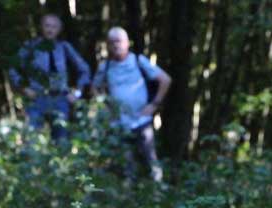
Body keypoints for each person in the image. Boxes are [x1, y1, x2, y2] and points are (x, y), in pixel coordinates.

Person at [94, 26, 171, 183]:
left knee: (151, 160)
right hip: (119, 124)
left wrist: (154, 105)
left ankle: (159, 192)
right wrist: (105, 106)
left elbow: (165, 79)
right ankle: (128, 197)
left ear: (127, 43)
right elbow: (94, 87)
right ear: (107, 45)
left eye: (119, 41)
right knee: (126, 164)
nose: (116, 45)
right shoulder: (105, 66)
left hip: (142, 121)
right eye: (112, 42)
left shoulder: (138, 60)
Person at [10, 13, 91, 142]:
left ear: (59, 30)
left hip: (60, 99)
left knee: (62, 141)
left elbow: (84, 69)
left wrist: (77, 92)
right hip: (37, 98)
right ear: (41, 27)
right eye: (47, 25)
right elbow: (13, 67)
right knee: (32, 140)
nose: (50, 29)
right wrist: (24, 88)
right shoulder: (31, 46)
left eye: (54, 26)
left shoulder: (64, 47)